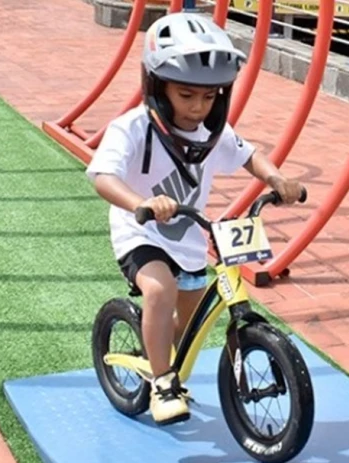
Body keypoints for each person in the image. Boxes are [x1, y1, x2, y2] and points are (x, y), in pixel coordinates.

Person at [85, 12, 304, 426]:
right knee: (159, 291)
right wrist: (139, 203)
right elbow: (102, 175)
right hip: (141, 231)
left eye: (209, 97)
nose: (198, 108)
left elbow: (249, 154)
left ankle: (165, 357)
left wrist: (276, 177)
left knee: (185, 327)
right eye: (186, 96)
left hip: (187, 239)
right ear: (157, 87)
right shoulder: (132, 129)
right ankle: (163, 381)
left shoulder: (209, 132)